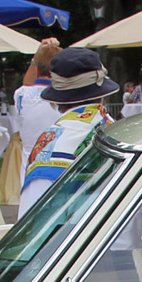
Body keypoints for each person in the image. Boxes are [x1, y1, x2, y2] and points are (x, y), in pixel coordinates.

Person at [19, 46, 118, 215]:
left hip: (68, 240)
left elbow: (28, 218)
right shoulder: (124, 135)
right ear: (101, 94)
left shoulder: (46, 145)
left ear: (58, 99)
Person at [10, 37, 62, 184]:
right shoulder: (65, 97)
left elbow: (28, 82)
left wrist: (38, 56)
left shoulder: (21, 94)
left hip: (29, 172)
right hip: (57, 171)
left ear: (37, 69)